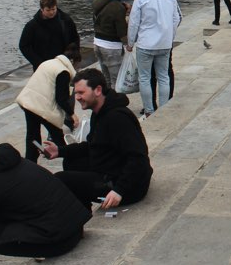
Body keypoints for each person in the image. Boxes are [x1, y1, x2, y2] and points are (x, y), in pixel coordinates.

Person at [43, 68, 153, 210]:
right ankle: (84, 209)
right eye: (76, 93)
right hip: (111, 169)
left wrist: (119, 190)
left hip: (129, 187)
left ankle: (79, 219)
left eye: (81, 93)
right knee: (72, 162)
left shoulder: (118, 118)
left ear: (98, 90)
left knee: (61, 179)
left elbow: (139, 158)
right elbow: (92, 146)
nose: (77, 97)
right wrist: (59, 151)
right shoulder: (99, 112)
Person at [14, 42, 81, 164]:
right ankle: (73, 161)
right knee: (59, 137)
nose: (77, 67)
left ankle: (30, 164)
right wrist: (72, 114)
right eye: (77, 64)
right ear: (72, 61)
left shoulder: (49, 63)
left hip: (28, 102)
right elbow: (61, 98)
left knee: (32, 136)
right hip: (41, 107)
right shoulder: (63, 72)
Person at [127, 0, 181, 117]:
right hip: (165, 43)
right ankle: (164, 109)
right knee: (164, 76)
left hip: (146, 44)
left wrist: (130, 42)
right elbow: (176, 18)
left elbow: (133, 23)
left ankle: (149, 110)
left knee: (145, 78)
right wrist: (170, 36)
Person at [18, 0, 80, 71]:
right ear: (41, 9)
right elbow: (24, 46)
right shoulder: (32, 25)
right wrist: (38, 62)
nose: (51, 12)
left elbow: (75, 38)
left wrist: (75, 56)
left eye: (53, 9)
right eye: (48, 10)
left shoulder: (66, 20)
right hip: (42, 66)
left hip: (63, 62)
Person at [92, 0, 130, 86]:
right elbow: (122, 33)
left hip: (97, 43)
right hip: (111, 47)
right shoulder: (118, 8)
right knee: (116, 81)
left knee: (106, 80)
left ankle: (107, 102)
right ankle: (115, 103)